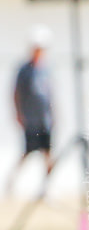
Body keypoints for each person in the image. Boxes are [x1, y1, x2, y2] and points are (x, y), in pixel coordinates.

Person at [8, 25, 54, 194]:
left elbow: (50, 94)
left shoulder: (46, 68)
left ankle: (46, 189)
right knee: (27, 153)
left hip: (45, 120)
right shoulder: (24, 70)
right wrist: (18, 114)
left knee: (48, 154)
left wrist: (54, 114)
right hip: (31, 120)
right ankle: (11, 183)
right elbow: (16, 93)